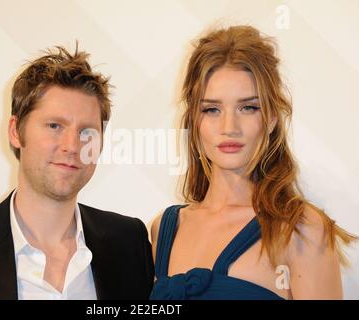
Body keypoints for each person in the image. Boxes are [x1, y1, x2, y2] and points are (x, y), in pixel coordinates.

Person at [0, 45, 154, 299]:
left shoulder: (130, 243)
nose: (72, 146)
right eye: (54, 126)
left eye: (87, 132)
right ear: (15, 131)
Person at [150, 25, 357, 300]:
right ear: (194, 121)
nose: (229, 127)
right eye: (212, 109)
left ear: (271, 118)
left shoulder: (301, 229)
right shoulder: (164, 228)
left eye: (248, 107)